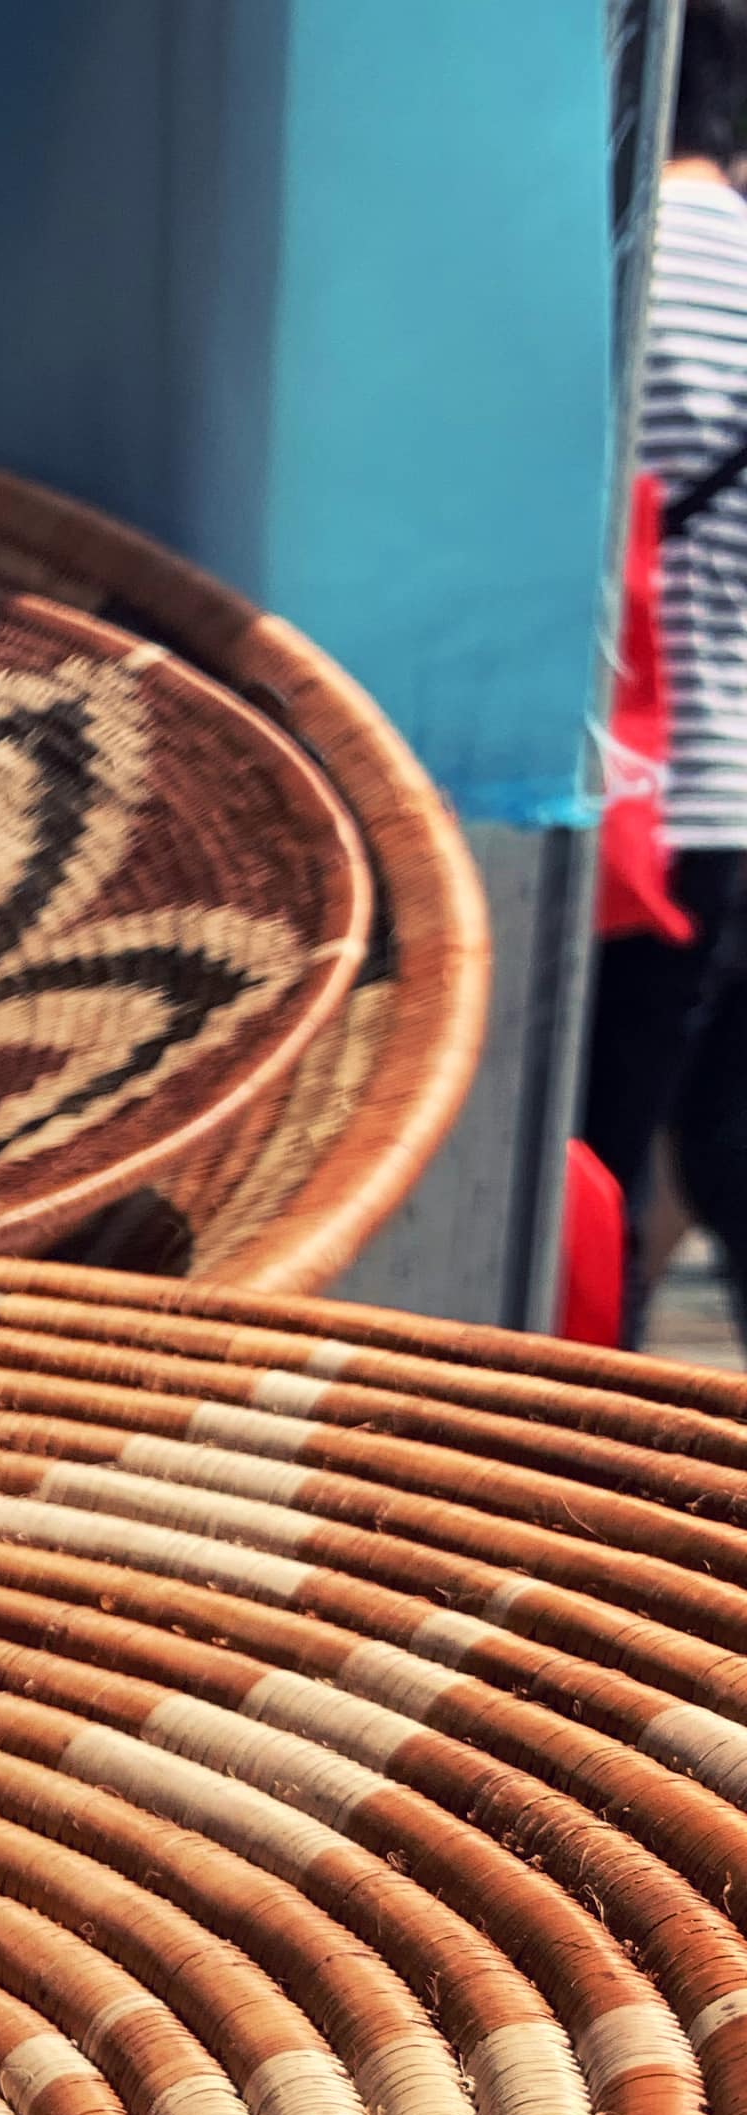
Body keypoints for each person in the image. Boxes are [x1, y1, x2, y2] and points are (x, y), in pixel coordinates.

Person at [587, 0, 747, 1338]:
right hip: (731, 791)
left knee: (588, 1174)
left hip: (614, 792)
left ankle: (569, 1465)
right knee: (712, 1148)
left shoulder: (608, 256)